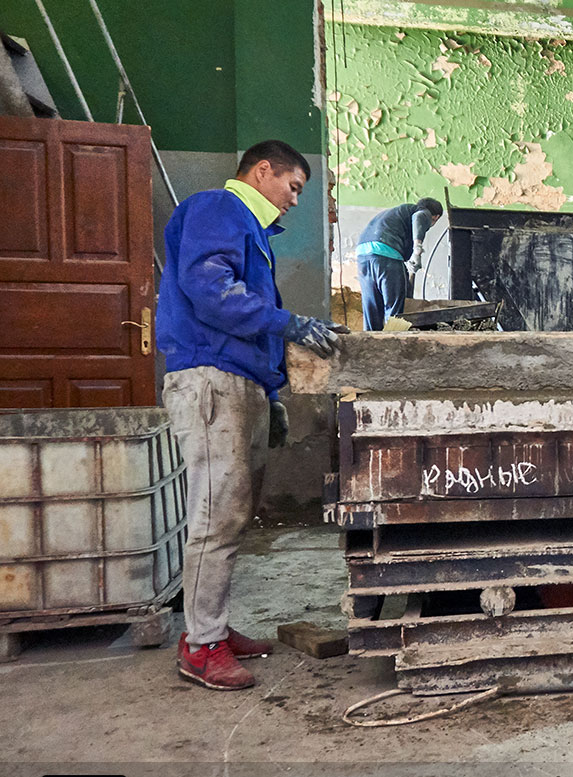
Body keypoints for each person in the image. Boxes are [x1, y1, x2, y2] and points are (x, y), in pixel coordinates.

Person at [157, 139, 347, 690]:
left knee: (234, 511)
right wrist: (288, 323)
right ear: (262, 171)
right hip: (211, 379)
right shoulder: (219, 208)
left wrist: (271, 393)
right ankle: (201, 646)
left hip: (238, 382)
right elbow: (210, 291)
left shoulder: (251, 230)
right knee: (217, 514)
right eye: (293, 187)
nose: (293, 201)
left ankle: (207, 626)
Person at [354, 197, 442, 330]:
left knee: (372, 308)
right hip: (386, 254)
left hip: (363, 255)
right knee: (394, 310)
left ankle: (371, 343)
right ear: (435, 217)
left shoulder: (396, 213)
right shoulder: (421, 212)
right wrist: (417, 250)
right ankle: (395, 341)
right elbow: (419, 217)